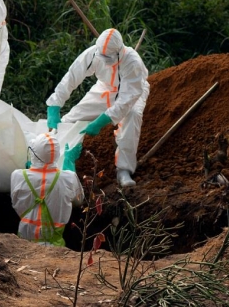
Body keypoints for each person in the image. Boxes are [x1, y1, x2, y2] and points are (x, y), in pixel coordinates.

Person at [45, 28, 149, 188]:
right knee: (73, 117)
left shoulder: (132, 63)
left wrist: (100, 122)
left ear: (119, 52)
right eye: (102, 56)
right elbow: (72, 76)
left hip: (133, 92)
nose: (104, 60)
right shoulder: (94, 53)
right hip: (105, 88)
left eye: (108, 57)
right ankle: (49, 150)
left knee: (132, 115)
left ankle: (124, 169)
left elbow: (125, 101)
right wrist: (54, 105)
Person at [10, 133, 83, 246]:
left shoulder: (17, 176)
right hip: (55, 248)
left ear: (33, 154)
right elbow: (79, 201)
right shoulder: (68, 178)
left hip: (24, 246)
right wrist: (69, 166)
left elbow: (16, 202)